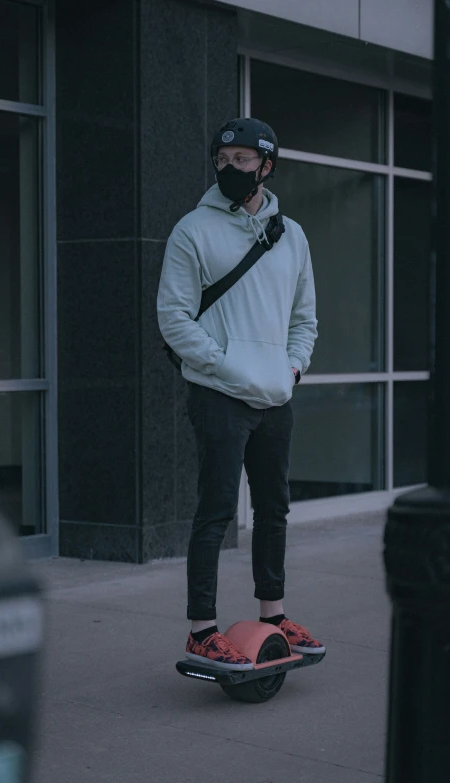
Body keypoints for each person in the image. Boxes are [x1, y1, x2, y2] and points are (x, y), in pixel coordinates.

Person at [157, 117, 324, 671]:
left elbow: (305, 319)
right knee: (216, 511)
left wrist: (291, 368)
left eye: (243, 160)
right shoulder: (193, 231)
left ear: (267, 166)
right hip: (219, 394)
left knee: (274, 509)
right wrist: (225, 366)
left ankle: (272, 614)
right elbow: (174, 319)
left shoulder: (292, 235)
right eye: (223, 160)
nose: (230, 168)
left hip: (276, 395)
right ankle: (202, 629)